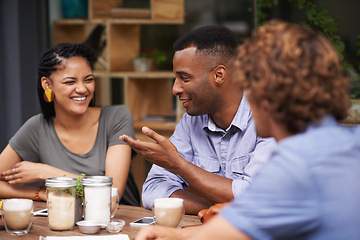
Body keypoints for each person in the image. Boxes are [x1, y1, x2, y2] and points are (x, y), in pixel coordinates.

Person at [135, 20, 360, 240]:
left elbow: (234, 227)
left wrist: (176, 235)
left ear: (264, 93)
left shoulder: (294, 163)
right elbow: (249, 222)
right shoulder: (350, 143)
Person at [120, 25, 276, 214]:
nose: (175, 89)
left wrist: (178, 165)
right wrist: (213, 210)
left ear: (219, 75)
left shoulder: (270, 119)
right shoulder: (191, 121)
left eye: (184, 78)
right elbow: (153, 191)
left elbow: (255, 198)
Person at [0, 43, 140, 206]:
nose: (82, 89)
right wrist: (39, 193)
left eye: (88, 80)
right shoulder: (37, 128)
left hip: (118, 226)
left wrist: (47, 173)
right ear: (47, 85)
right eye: (70, 82)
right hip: (65, 225)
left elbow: (110, 195)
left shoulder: (117, 118)